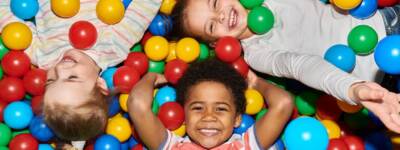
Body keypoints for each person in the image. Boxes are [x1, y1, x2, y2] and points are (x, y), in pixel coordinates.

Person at [169, 0, 400, 133]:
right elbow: (302, 66)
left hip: (387, 20)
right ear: (215, 43)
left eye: (215, 2)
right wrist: (354, 89)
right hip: (382, 84)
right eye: (211, 26)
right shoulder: (258, 54)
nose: (220, 15)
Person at [0, 0, 161, 141]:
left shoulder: (43, 57)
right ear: (100, 85)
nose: (60, 69)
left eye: (51, 80)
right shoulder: (114, 46)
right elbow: (144, 8)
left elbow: (10, 23)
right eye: (72, 77)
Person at [128, 59, 293, 149]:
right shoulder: (174, 146)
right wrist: (152, 77)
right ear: (183, 115)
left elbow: (283, 103)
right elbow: (138, 105)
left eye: (221, 108)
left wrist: (256, 82)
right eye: (198, 108)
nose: (209, 116)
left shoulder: (245, 146)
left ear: (237, 118)